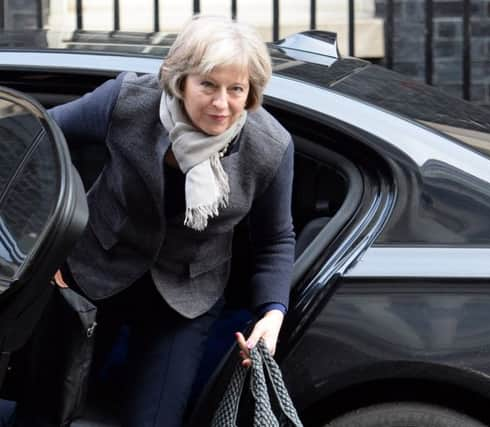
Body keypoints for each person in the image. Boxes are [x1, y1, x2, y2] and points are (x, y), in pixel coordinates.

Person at [30, 15, 294, 427]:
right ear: (180, 79)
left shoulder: (270, 147)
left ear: (251, 92)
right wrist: (44, 250)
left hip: (185, 297)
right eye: (208, 84)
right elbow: (34, 139)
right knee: (45, 410)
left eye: (236, 89)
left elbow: (275, 238)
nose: (222, 104)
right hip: (92, 274)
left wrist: (272, 313)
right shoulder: (128, 101)